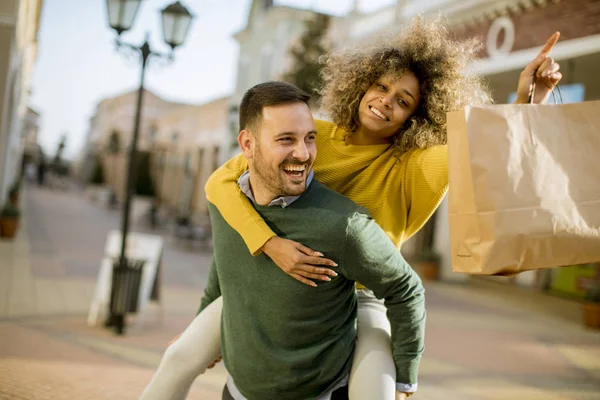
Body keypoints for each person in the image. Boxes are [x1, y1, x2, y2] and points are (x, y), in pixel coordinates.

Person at [143, 17, 563, 400]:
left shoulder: (415, 163)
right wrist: (269, 244)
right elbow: (220, 183)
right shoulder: (313, 136)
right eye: (381, 87)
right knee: (178, 357)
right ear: (362, 85)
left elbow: (482, 145)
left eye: (403, 100)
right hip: (269, 276)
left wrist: (529, 99)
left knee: (375, 393)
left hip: (360, 297)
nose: (385, 101)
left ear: (415, 117)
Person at [141, 81, 425, 399]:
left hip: (319, 390)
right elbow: (223, 270)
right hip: (238, 392)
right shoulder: (226, 201)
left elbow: (406, 289)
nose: (303, 154)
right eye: (286, 140)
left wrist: (405, 377)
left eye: (310, 139)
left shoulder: (345, 225)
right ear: (247, 144)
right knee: (174, 360)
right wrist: (200, 331)